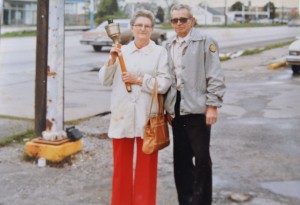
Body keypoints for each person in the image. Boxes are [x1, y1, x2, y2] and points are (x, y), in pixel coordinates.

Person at [98, 9, 171, 205]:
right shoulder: (121, 51)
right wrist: (112, 59)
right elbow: (104, 80)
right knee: (121, 168)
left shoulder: (159, 52)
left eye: (147, 26)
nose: (142, 29)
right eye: (139, 25)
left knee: (147, 169)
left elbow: (164, 83)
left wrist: (139, 80)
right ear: (131, 28)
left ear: (152, 29)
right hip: (122, 115)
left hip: (148, 118)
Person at [164, 4, 226, 205]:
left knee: (201, 160)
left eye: (183, 19)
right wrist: (166, 108)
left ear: (192, 20)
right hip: (176, 109)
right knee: (181, 160)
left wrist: (212, 106)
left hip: (198, 108)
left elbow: (215, 75)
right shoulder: (168, 45)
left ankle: (201, 201)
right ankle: (186, 200)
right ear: (171, 22)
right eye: (175, 20)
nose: (179, 23)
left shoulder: (206, 42)